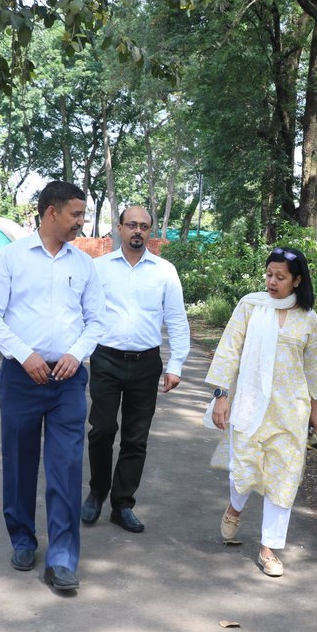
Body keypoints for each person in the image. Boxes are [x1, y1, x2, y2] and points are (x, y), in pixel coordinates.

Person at [0, 181, 106, 593]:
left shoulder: (83, 264)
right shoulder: (11, 257)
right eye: (75, 214)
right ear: (51, 212)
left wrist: (77, 353)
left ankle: (63, 558)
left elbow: (97, 320)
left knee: (66, 468)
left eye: (82, 215)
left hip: (68, 380)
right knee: (19, 461)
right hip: (22, 377)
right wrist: (23, 354)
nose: (80, 223)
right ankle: (22, 538)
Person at [206, 246, 317, 577]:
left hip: (291, 409)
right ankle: (235, 507)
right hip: (250, 405)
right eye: (269, 275)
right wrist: (221, 395)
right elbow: (229, 350)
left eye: (280, 277)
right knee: (243, 469)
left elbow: (314, 367)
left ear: (297, 280)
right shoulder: (251, 305)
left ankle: (269, 548)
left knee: (284, 478)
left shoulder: (308, 318)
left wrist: (315, 410)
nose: (272, 282)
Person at [82, 206, 190, 533]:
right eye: (132, 225)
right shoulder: (97, 268)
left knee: (135, 438)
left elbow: (177, 320)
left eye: (144, 226)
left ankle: (123, 504)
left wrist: (176, 365)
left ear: (150, 231)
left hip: (146, 364)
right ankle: (97, 491)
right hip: (106, 360)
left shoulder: (164, 271)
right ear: (119, 228)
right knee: (101, 430)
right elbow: (82, 313)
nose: (138, 231)